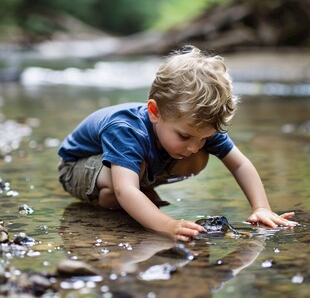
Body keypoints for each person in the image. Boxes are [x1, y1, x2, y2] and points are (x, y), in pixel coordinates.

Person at [58, 45, 298, 241]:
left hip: (131, 171)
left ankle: (142, 194)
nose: (194, 145)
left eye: (203, 137)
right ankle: (121, 199)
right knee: (119, 189)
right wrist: (169, 226)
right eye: (184, 136)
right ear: (154, 112)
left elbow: (240, 164)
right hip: (77, 167)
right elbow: (125, 189)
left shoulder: (198, 123)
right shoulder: (125, 129)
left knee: (198, 157)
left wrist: (262, 207)